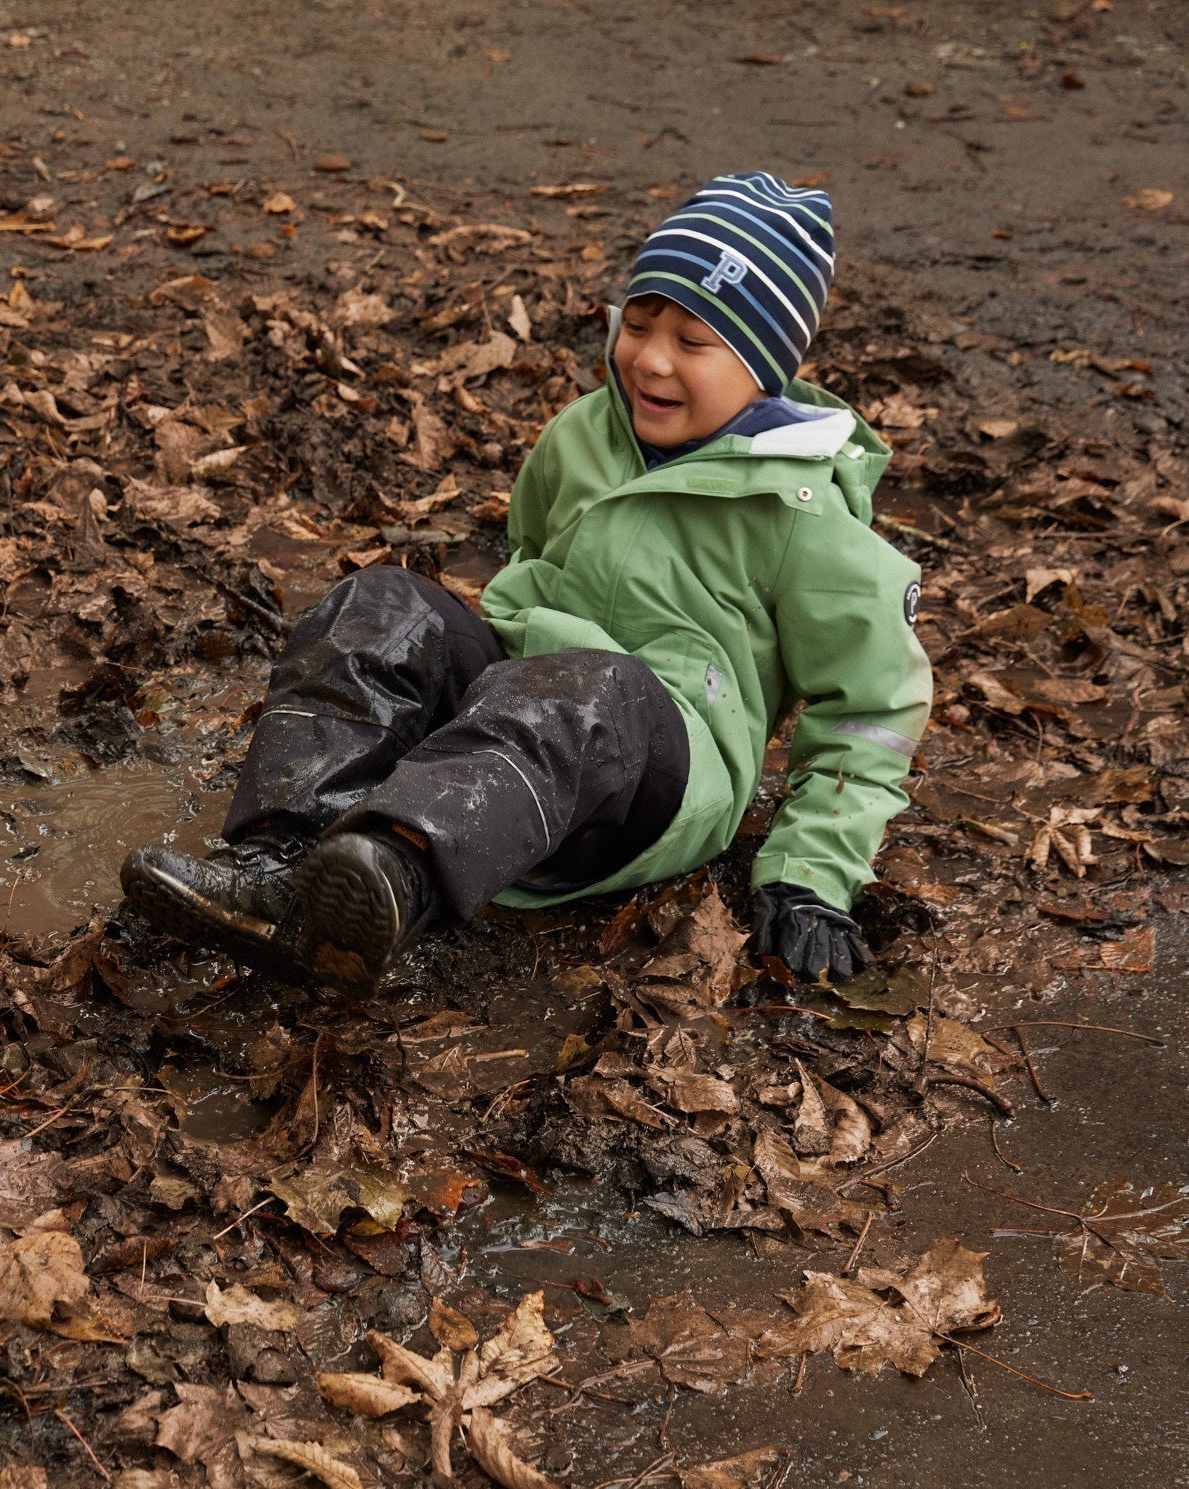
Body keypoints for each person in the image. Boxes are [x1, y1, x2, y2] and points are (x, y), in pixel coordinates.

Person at [124, 172, 931, 994]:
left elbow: (871, 709)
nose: (650, 357)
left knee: (591, 689)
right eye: (641, 322)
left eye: (694, 343)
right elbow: (532, 546)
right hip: (524, 704)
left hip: (654, 764)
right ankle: (279, 859)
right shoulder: (583, 433)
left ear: (764, 367)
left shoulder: (806, 516)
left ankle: (387, 885)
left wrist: (809, 877)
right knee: (385, 603)